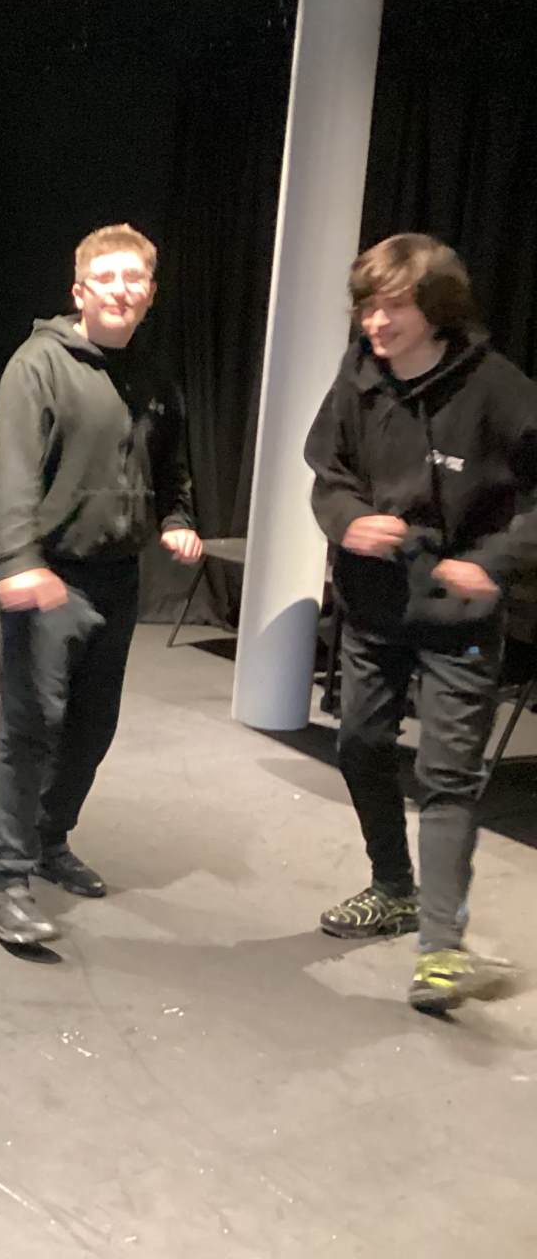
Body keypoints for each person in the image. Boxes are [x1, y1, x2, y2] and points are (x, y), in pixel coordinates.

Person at [305, 233, 537, 1014]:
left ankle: (441, 948)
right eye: (367, 306)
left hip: (459, 617)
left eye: (393, 306)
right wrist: (349, 521)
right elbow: (328, 475)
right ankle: (393, 889)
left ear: (436, 308)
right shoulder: (358, 376)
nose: (375, 322)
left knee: (447, 775)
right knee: (360, 745)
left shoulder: (499, 389)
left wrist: (495, 561)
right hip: (374, 605)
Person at [0, 224, 203, 947]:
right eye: (105, 278)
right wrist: (19, 560)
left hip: (118, 579)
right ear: (80, 290)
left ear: (150, 293)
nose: (119, 289)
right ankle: (7, 882)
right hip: (49, 575)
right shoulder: (37, 366)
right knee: (31, 725)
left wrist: (178, 519)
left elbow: (171, 467)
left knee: (91, 726)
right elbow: (14, 469)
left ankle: (50, 839)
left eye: (133, 279)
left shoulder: (155, 377)